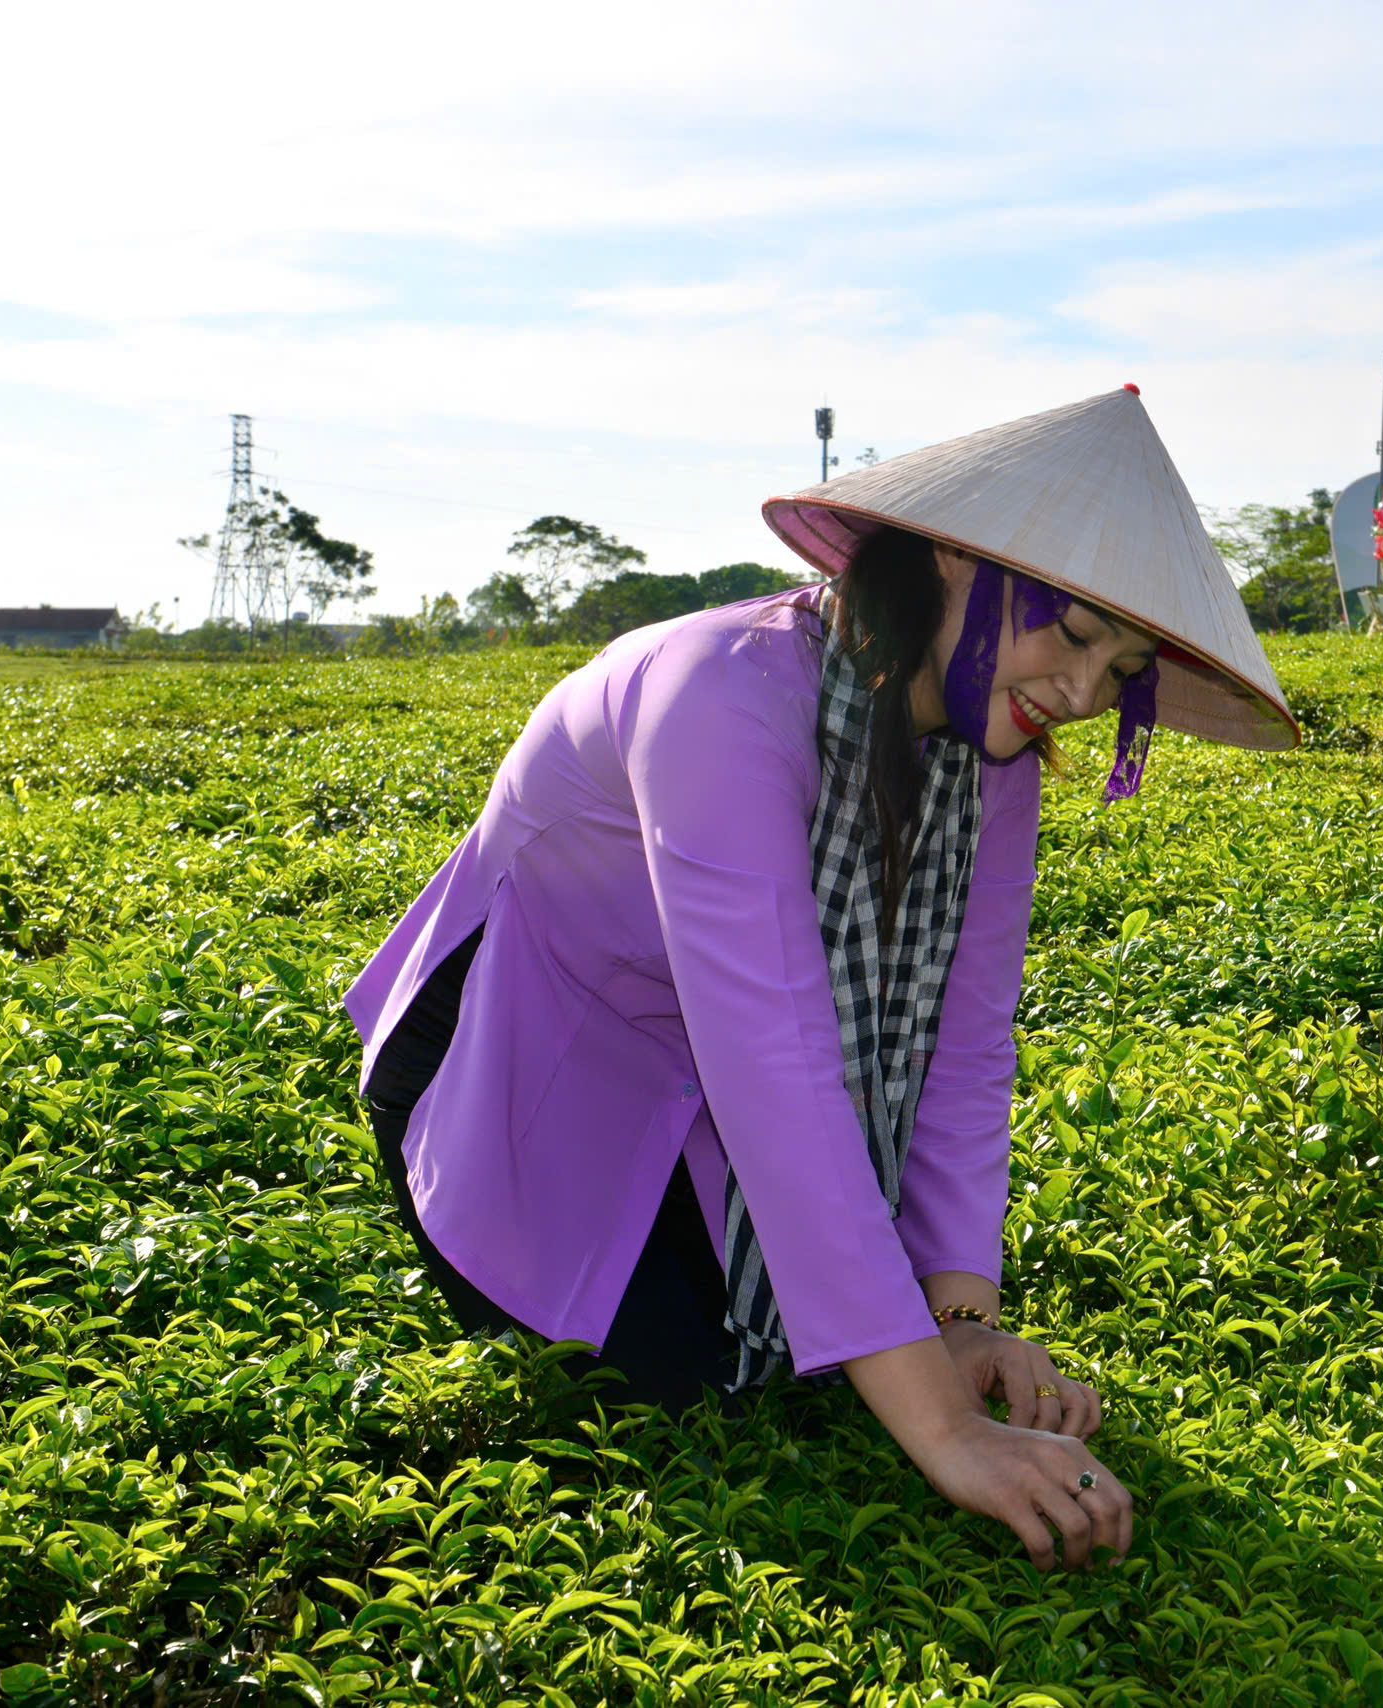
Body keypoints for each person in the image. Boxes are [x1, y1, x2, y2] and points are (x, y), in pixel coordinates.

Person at [344, 387, 1297, 1575]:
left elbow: (965, 1042)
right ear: (957, 561)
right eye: (1070, 628)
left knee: (810, 1354)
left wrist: (962, 1323)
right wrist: (949, 1433)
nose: (1082, 686)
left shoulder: (988, 757)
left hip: (706, 1097)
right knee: (685, 1382)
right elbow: (776, 1065)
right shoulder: (720, 696)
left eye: (1123, 666)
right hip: (524, 1062)